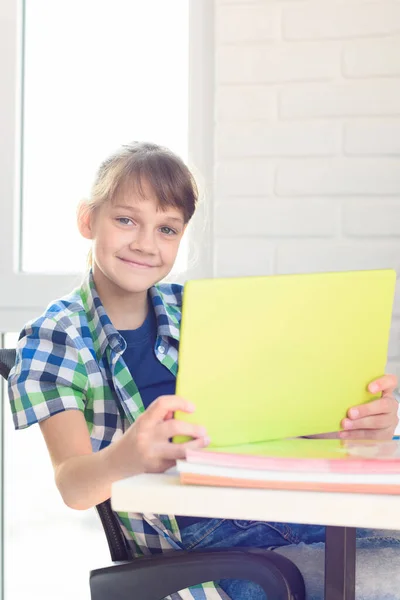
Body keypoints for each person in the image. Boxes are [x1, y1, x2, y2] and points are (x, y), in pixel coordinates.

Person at [8, 141, 400, 600]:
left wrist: (353, 427)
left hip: (281, 511)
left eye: (167, 229)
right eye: (126, 220)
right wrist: (127, 456)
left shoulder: (198, 310)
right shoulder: (57, 336)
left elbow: (264, 422)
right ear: (87, 219)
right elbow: (73, 485)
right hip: (203, 551)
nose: (145, 243)